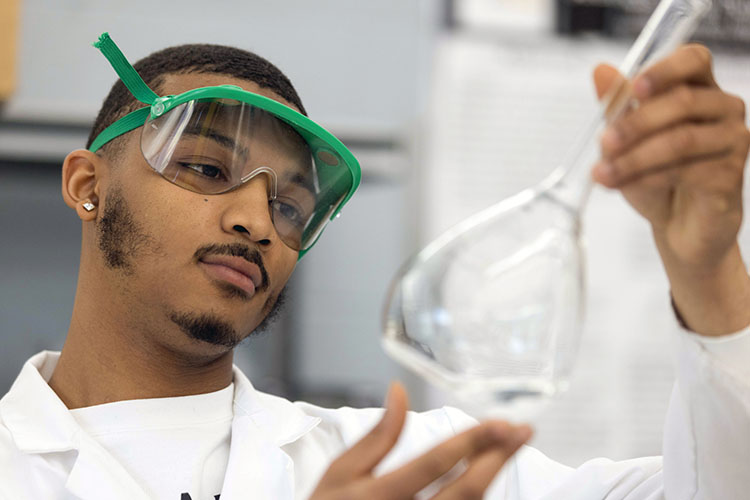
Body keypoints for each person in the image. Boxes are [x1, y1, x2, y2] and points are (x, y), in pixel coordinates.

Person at [0, 31, 748, 500]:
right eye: (203, 166)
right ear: (87, 185)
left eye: (291, 207)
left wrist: (708, 274)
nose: (257, 222)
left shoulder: (418, 469)